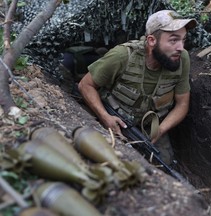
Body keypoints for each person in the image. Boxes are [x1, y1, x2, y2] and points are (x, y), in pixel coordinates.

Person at [78, 10, 197, 165]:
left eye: (183, 40)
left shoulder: (182, 59)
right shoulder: (122, 56)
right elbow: (85, 85)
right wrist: (105, 117)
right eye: (173, 41)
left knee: (163, 163)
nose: (181, 47)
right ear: (152, 40)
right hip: (114, 117)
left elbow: (182, 104)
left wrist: (160, 130)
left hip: (148, 127)